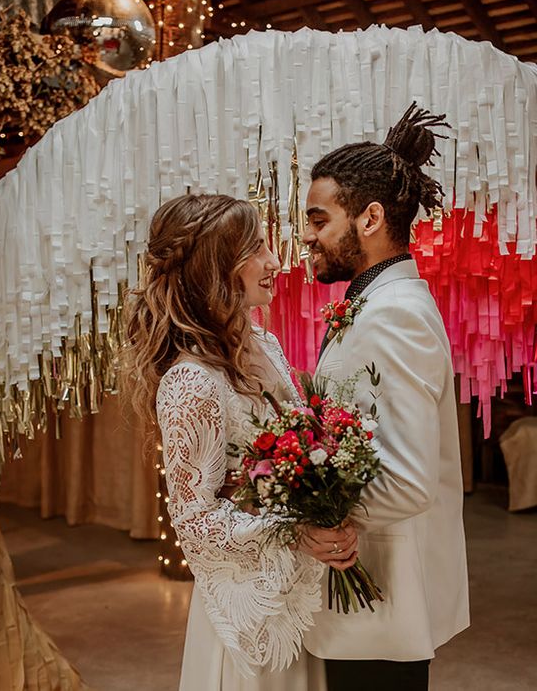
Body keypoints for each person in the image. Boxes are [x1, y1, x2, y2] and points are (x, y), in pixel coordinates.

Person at [124, 193, 358, 690]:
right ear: (217, 266)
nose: (275, 261)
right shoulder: (191, 382)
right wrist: (294, 531)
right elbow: (195, 521)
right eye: (257, 249)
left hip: (301, 599)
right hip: (249, 620)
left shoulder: (264, 343)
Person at [301, 103, 470, 691]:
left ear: (369, 217)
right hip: (368, 593)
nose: (306, 235)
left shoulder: (395, 315)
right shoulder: (377, 304)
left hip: (382, 593)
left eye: (319, 219)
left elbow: (407, 480)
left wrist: (313, 514)